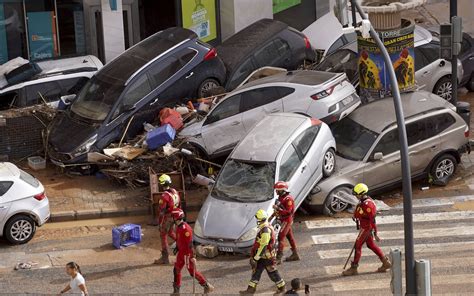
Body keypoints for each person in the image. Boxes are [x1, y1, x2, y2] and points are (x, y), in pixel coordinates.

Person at [342, 183, 392, 276]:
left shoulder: (367, 205)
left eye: (356, 194)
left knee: (358, 246)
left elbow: (372, 220)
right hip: (364, 227)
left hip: (366, 228)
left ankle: (354, 268)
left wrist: (375, 233)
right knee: (371, 245)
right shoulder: (363, 201)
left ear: (361, 193)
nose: (355, 196)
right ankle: (385, 262)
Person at [240, 209, 286, 295]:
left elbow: (263, 246)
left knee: (272, 273)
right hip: (263, 256)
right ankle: (250, 290)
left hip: (266, 257)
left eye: (257, 219)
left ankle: (282, 288)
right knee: (256, 272)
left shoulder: (265, 231)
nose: (256, 220)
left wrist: (256, 258)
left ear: (260, 220)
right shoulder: (264, 226)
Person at [171, 208, 214, 294]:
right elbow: (180, 240)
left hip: (187, 254)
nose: (172, 219)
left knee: (192, 272)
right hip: (181, 253)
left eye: (173, 217)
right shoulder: (179, 227)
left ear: (176, 218)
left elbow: (190, 244)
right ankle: (176, 291)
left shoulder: (186, 229)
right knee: (176, 270)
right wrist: (177, 247)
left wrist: (193, 256)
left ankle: (207, 285)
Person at [155, 174, 181, 265]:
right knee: (170, 232)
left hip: (168, 217)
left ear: (161, 184)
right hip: (175, 216)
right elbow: (179, 205)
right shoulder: (175, 191)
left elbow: (162, 212)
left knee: (163, 235)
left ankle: (165, 258)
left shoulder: (164, 196)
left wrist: (160, 223)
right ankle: (183, 244)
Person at [273, 181, 300, 264]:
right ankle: (295, 254)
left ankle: (278, 258)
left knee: (280, 238)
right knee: (289, 237)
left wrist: (278, 209)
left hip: (286, 220)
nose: (276, 192)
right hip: (282, 219)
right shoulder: (281, 198)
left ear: (282, 190)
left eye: (277, 190)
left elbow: (288, 212)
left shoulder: (288, 199)